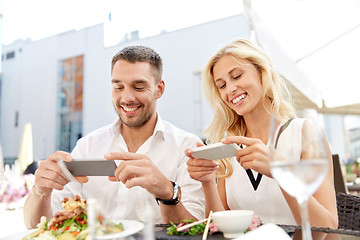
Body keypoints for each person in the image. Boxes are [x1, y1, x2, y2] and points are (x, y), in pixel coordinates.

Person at [24, 45, 205, 229]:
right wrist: (40, 191)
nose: (127, 97)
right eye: (118, 87)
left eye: (139, 87)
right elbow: (38, 225)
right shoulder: (88, 146)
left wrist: (167, 192)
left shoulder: (186, 147)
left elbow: (195, 229)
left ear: (159, 89)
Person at [185, 39, 338, 228]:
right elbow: (220, 227)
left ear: (261, 72)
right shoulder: (227, 146)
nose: (230, 89)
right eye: (222, 85)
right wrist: (207, 183)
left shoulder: (304, 132)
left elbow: (328, 227)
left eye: (237, 76)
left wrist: (281, 173)